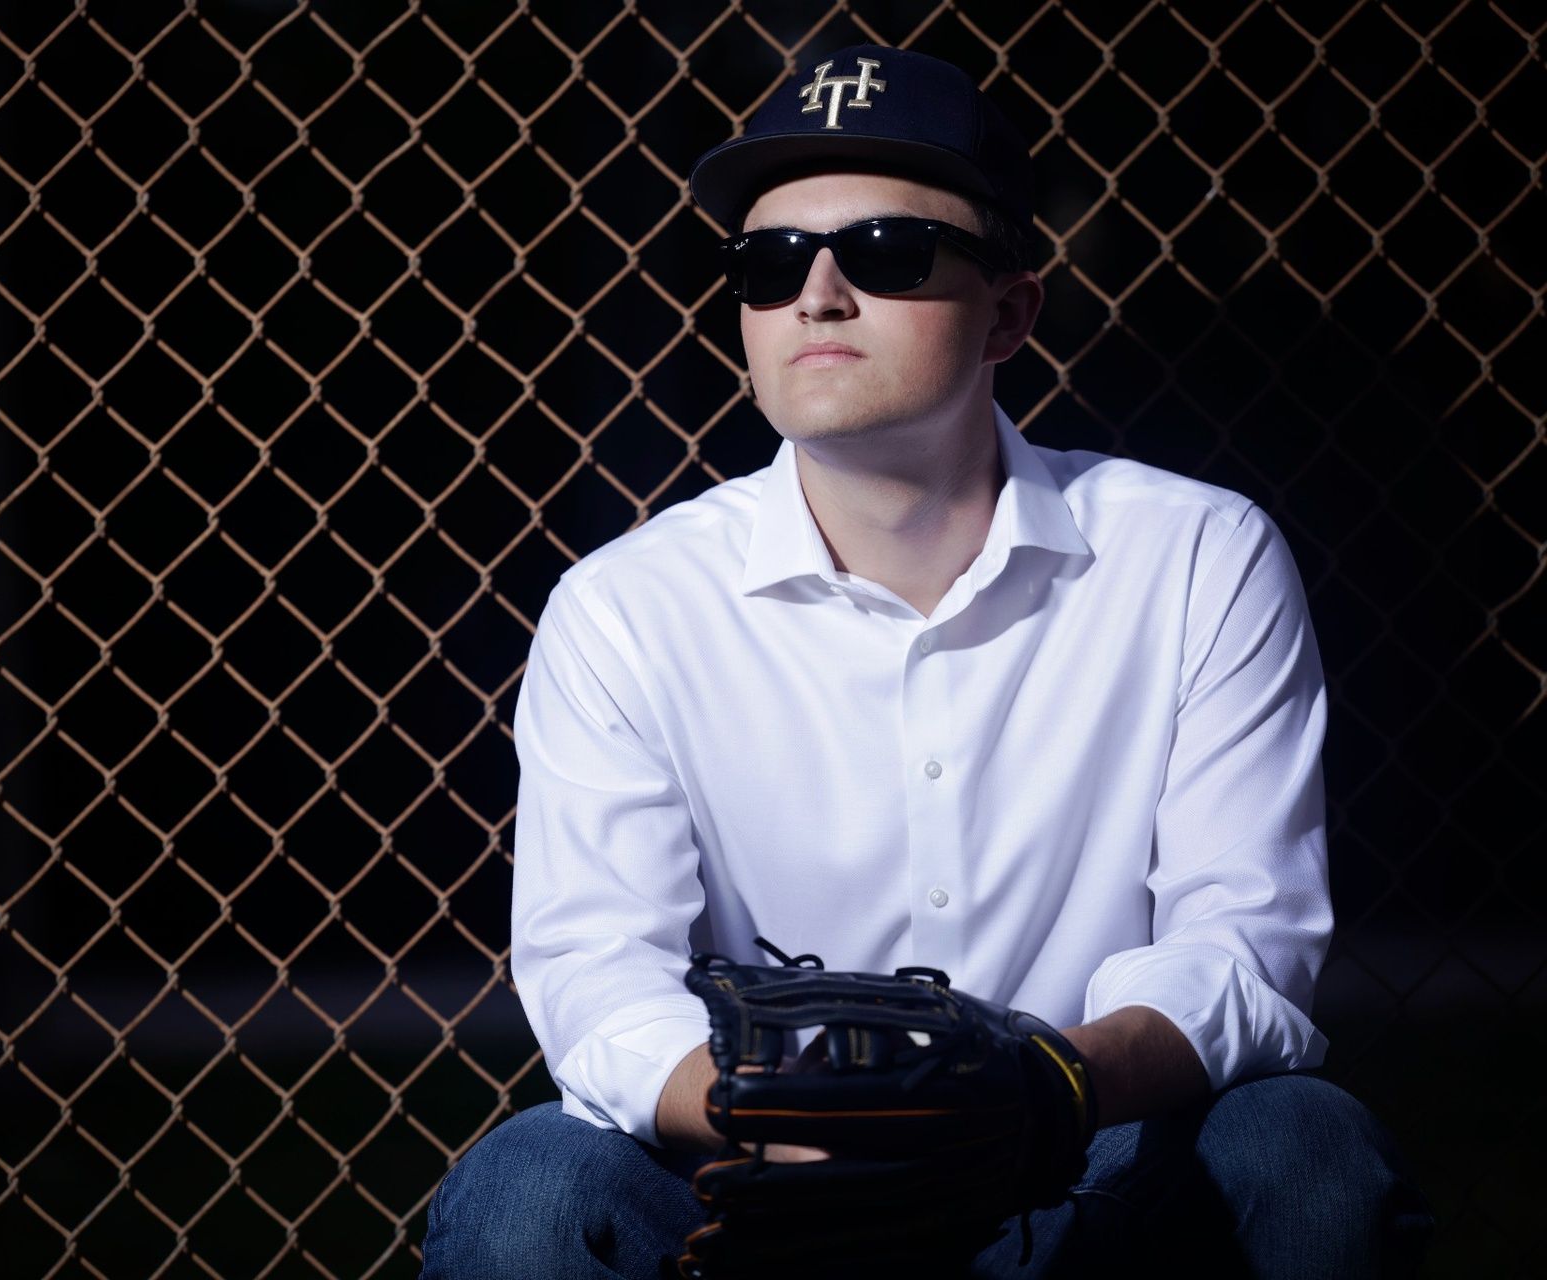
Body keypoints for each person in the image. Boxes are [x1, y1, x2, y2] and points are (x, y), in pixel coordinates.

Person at [419, 43, 1430, 1278]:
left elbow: (1245, 945)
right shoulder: (627, 604)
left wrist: (1047, 1086)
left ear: (1011, 309)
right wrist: (775, 1120)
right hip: (760, 1188)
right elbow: (597, 974)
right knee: (533, 1185)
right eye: (769, 261)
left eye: (889, 251)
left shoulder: (1195, 553)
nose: (819, 295)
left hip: (1089, 1157)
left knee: (1301, 1142)